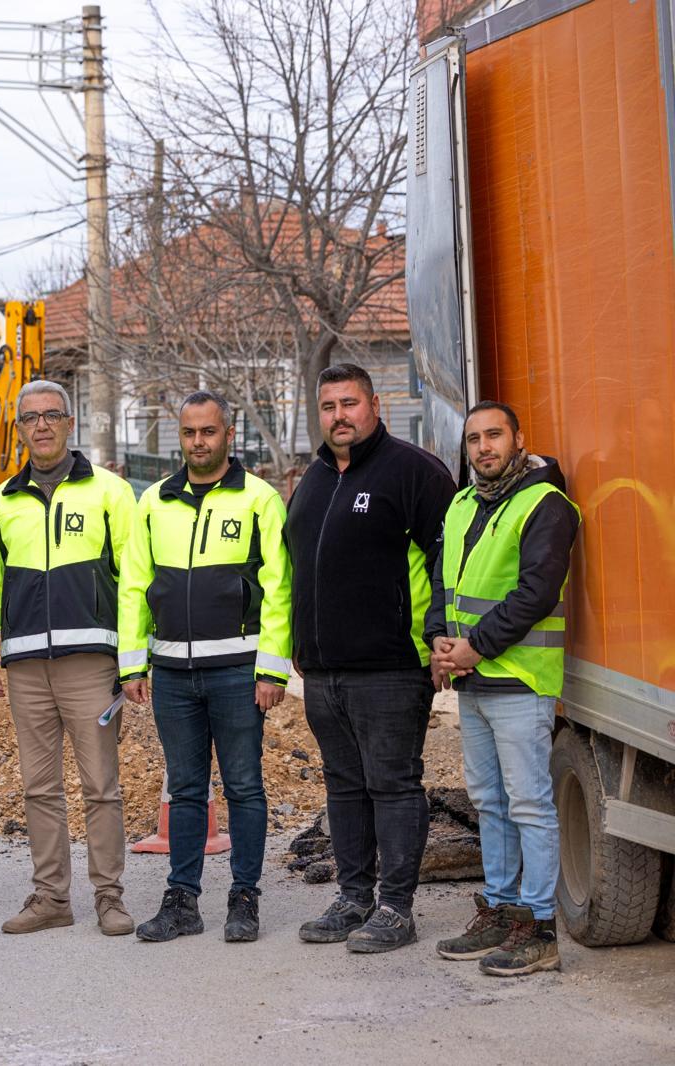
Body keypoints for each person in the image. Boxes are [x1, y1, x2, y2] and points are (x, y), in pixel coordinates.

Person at [284, 363, 456, 952]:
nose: (339, 416)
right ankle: (353, 897)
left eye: (349, 403)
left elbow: (447, 562)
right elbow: (297, 569)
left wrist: (440, 636)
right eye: (329, 406)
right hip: (324, 672)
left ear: (375, 405)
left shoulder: (413, 473)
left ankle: (395, 909)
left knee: (393, 785)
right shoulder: (312, 480)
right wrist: (299, 645)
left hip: (390, 667)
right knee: (344, 787)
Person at [118, 391, 293, 944]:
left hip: (238, 671)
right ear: (181, 437)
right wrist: (132, 665)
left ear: (228, 434)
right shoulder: (153, 503)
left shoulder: (260, 499)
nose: (199, 442)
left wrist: (272, 671)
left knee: (244, 786)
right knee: (186, 788)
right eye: (189, 433)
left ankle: (245, 898)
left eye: (208, 432)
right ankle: (182, 901)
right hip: (171, 672)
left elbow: (279, 590)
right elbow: (132, 587)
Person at [0, 380, 137, 937]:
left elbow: (135, 580)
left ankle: (109, 898)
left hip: (91, 664)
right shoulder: (2, 502)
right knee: (38, 788)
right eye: (30, 418)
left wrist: (132, 662)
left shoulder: (110, 493)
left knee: (100, 787)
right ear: (19, 430)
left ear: (70, 423)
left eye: (52, 416)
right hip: (25, 669)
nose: (41, 426)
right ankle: (51, 899)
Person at [427, 401, 578, 976]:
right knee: (490, 802)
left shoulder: (546, 504)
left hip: (518, 678)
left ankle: (539, 928)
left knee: (531, 805)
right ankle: (501, 909)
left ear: (519, 439)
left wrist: (476, 647)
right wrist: (439, 638)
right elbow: (444, 579)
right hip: (473, 678)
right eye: (473, 440)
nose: (483, 447)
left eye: (494, 435)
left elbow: (536, 591)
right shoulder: (463, 502)